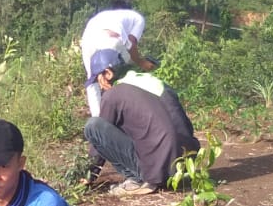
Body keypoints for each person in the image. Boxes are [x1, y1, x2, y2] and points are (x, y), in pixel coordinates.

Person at [83, 51, 200, 197]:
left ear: (107, 74)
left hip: (158, 171)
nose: (99, 86)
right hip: (185, 165)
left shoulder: (113, 95)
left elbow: (99, 141)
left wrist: (87, 175)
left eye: (98, 79)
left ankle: (137, 180)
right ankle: (172, 171)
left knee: (93, 126)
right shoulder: (152, 82)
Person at [80, 0, 155, 118]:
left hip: (87, 40)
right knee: (120, 70)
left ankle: (98, 120)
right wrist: (142, 63)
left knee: (92, 79)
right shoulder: (138, 18)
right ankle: (123, 111)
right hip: (111, 39)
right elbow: (131, 44)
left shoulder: (104, 15)